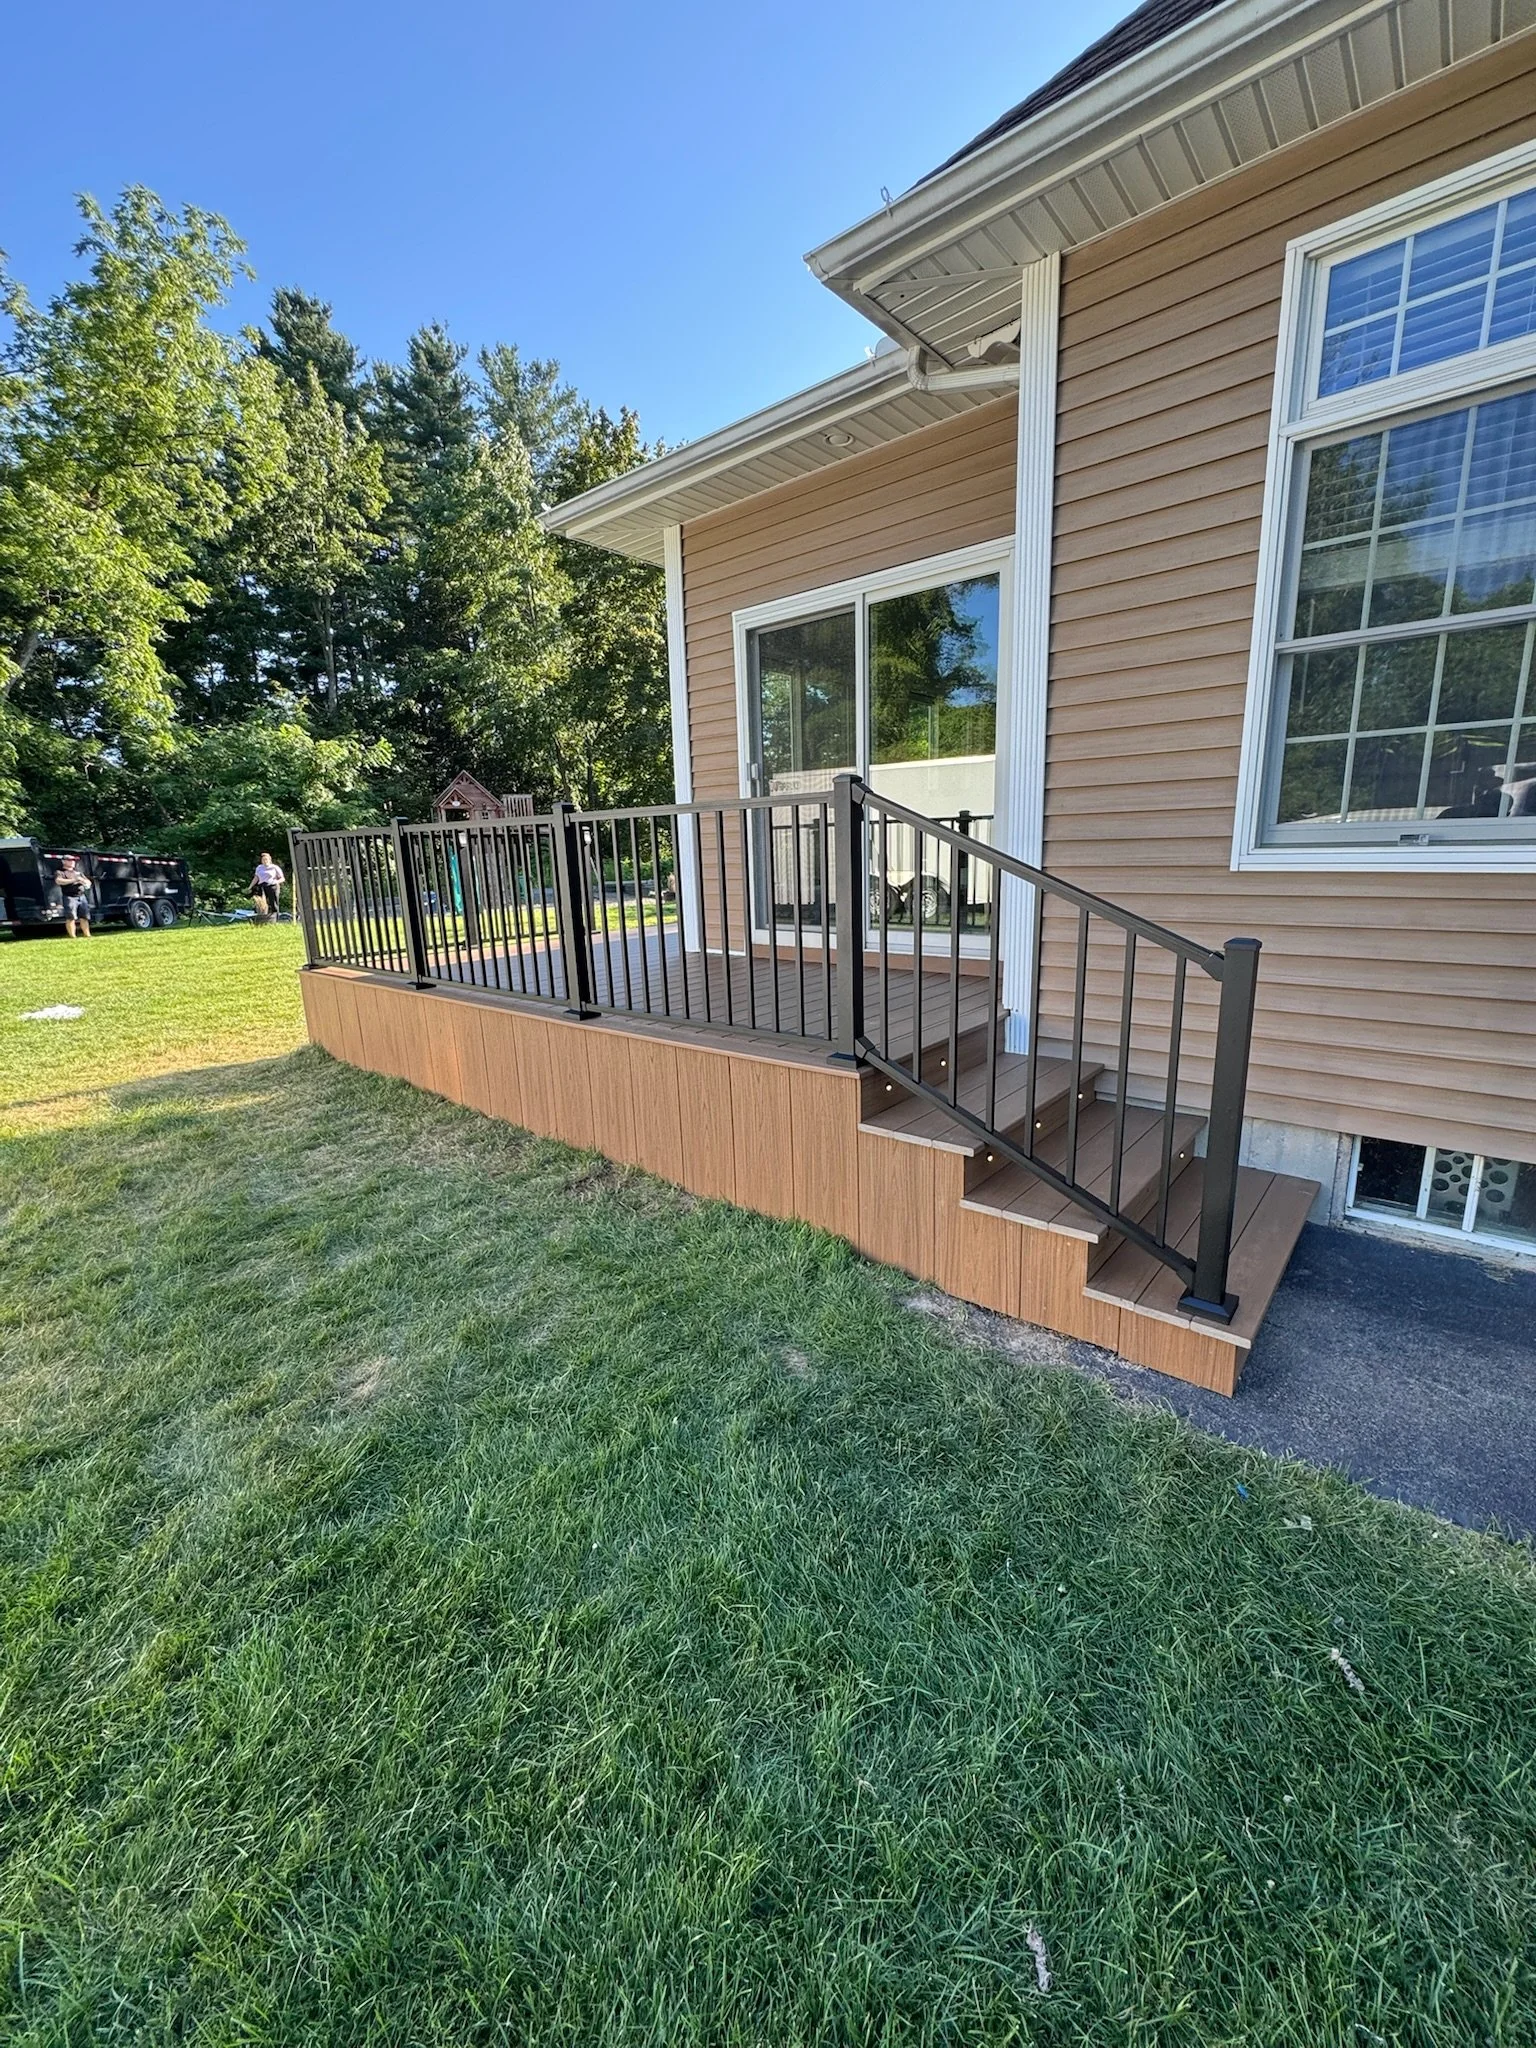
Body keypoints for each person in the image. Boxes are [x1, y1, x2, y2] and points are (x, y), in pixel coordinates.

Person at [55, 854, 92, 938]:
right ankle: (73, 936)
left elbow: (88, 882)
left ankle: (87, 935)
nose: (72, 862)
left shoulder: (78, 872)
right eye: (69, 860)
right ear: (64, 861)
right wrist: (74, 880)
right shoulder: (60, 872)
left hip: (82, 896)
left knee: (84, 916)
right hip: (69, 897)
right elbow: (58, 881)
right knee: (71, 917)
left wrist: (85, 882)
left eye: (73, 860)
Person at [250, 852, 285, 921]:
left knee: (273, 903)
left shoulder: (274, 867)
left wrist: (276, 882)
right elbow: (256, 878)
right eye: (263, 860)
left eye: (266, 859)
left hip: (272, 886)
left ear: (269, 860)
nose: (264, 861)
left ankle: (275, 919)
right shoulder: (259, 868)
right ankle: (262, 918)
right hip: (262, 886)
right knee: (262, 903)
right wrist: (250, 886)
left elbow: (282, 878)